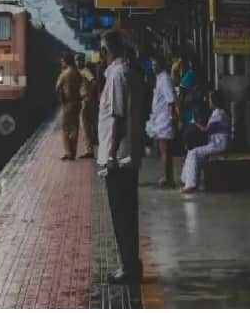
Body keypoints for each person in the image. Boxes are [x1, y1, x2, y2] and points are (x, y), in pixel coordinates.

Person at [98, 30, 144, 284]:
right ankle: (131, 263)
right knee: (128, 212)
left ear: (106, 51)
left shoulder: (117, 75)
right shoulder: (129, 72)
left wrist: (112, 153)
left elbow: (117, 117)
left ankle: (128, 267)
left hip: (120, 158)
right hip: (129, 154)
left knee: (121, 215)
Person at [180, 90, 231, 192]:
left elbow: (206, 130)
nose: (208, 102)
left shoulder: (219, 113)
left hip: (219, 143)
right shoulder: (218, 112)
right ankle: (186, 180)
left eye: (210, 100)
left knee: (194, 153)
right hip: (216, 142)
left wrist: (195, 123)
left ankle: (190, 184)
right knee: (192, 152)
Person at [145, 57, 177, 187]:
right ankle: (167, 177)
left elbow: (171, 100)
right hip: (159, 118)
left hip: (164, 118)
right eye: (152, 64)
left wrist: (170, 119)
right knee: (163, 149)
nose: (153, 67)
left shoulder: (164, 79)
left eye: (155, 64)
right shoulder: (160, 78)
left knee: (165, 150)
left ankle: (167, 178)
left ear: (161, 64)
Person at [56, 52, 82, 160]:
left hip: (67, 103)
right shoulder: (77, 72)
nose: (61, 63)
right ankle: (74, 152)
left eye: (62, 61)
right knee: (75, 127)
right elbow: (80, 83)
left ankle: (68, 153)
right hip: (77, 102)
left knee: (65, 128)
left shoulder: (64, 74)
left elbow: (57, 87)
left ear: (66, 61)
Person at [76, 53, 97, 158]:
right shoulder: (79, 71)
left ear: (83, 61)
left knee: (85, 126)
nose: (77, 62)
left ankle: (90, 151)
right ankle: (89, 149)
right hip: (84, 100)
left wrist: (89, 93)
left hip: (85, 100)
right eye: (76, 60)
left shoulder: (85, 71)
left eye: (79, 60)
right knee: (86, 126)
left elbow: (93, 81)